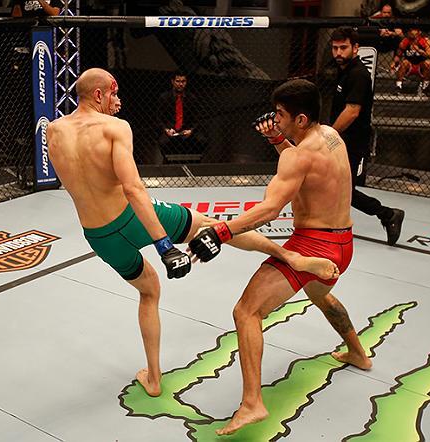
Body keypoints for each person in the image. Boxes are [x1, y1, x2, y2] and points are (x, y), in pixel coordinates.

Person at [45, 68, 338, 398]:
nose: (118, 101)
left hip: (98, 236)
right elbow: (133, 188)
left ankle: (153, 378)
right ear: (98, 95)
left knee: (149, 290)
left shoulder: (53, 130)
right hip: (130, 217)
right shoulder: (115, 128)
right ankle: (289, 255)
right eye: (113, 94)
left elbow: (78, 179)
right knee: (209, 226)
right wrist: (164, 245)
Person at [188, 79, 372, 436]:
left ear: (300, 119)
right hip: (343, 243)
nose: (276, 119)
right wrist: (277, 140)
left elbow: (271, 209)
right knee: (321, 295)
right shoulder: (331, 136)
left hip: (313, 245)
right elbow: (307, 169)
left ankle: (252, 403)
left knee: (246, 311)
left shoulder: (297, 154)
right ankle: (358, 353)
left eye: (281, 115)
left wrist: (222, 231)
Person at [330, 27, 404, 246]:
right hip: (341, 140)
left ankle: (388, 214)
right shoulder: (343, 69)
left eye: (343, 48)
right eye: (334, 48)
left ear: (355, 48)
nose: (338, 53)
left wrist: (328, 134)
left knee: (345, 191)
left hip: (352, 142)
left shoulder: (358, 74)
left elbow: (352, 110)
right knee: (335, 187)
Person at [156, 71, 208, 163]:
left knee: (202, 140)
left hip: (186, 129)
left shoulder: (192, 98)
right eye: (178, 81)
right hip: (171, 128)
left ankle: (195, 162)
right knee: (162, 142)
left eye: (183, 81)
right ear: (172, 82)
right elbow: (159, 118)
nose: (180, 84)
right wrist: (166, 129)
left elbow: (197, 118)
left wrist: (191, 130)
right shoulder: (164, 97)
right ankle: (168, 161)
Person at [391, 28, 430, 95]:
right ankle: (398, 87)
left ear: (419, 32)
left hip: (421, 65)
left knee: (427, 63)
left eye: (414, 31)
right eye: (410, 31)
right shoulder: (405, 41)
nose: (411, 33)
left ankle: (425, 88)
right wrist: (393, 63)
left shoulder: (425, 41)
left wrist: (419, 50)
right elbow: (398, 55)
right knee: (404, 62)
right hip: (409, 64)